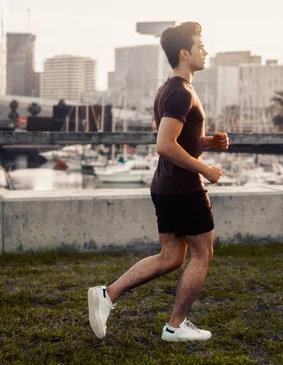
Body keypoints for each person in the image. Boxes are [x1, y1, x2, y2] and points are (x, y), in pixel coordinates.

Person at [88, 21, 229, 342]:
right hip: (185, 187)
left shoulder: (169, 89)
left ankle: (107, 295)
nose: (206, 51)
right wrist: (204, 169)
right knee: (202, 254)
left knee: (170, 256)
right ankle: (175, 326)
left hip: (166, 185)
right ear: (184, 53)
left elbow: (178, 138)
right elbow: (164, 145)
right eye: (200, 45)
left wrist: (207, 142)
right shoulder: (180, 92)